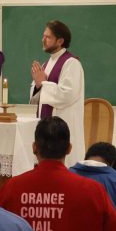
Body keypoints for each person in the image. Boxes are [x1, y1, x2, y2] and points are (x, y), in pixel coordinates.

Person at [30, 20, 85, 166]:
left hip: (63, 127)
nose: (43, 40)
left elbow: (67, 95)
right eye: (43, 36)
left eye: (47, 37)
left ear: (60, 41)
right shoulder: (46, 64)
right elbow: (37, 96)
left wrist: (43, 83)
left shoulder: (71, 63)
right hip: (46, 128)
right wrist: (37, 85)